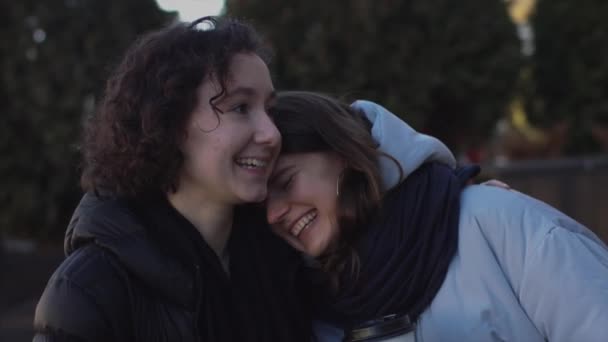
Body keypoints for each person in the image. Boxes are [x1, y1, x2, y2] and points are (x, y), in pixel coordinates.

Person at [33, 17, 311, 341]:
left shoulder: (284, 261)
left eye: (269, 110)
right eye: (240, 108)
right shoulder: (90, 289)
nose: (271, 133)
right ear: (169, 123)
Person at [266, 91, 608, 342]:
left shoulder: (499, 226)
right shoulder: (306, 307)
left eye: (286, 182)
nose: (274, 214)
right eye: (260, 206)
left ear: (340, 152)